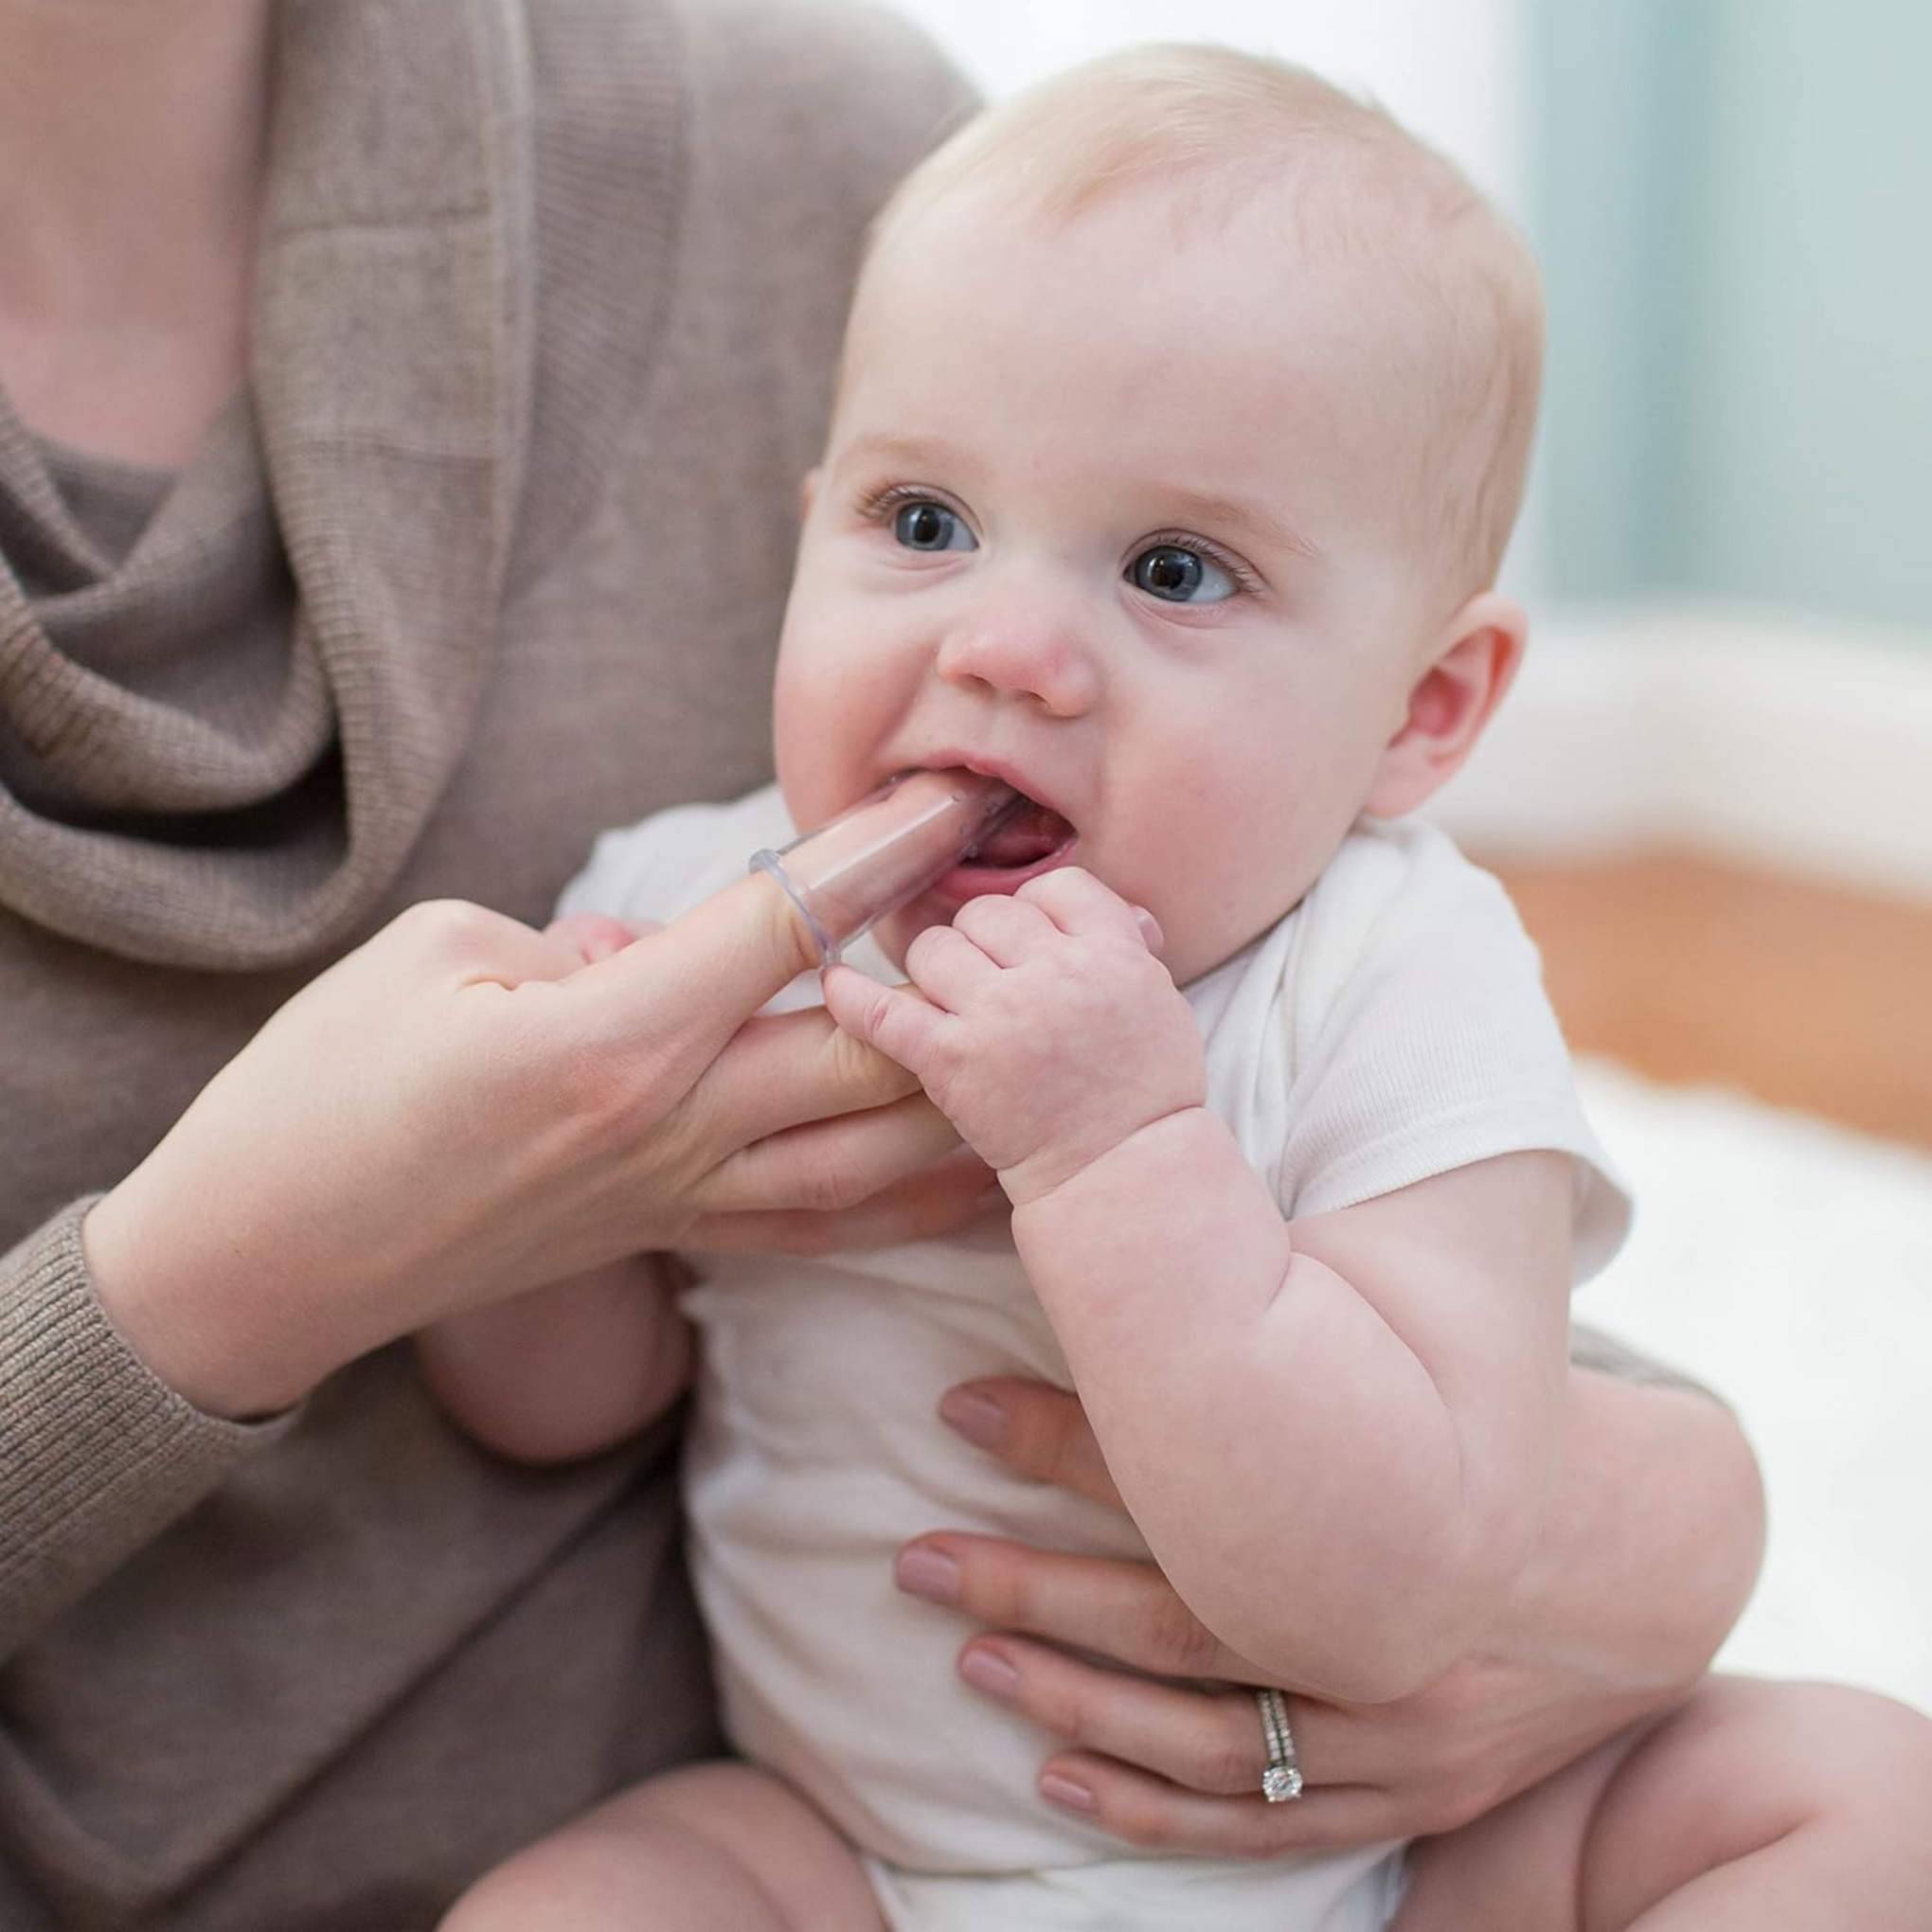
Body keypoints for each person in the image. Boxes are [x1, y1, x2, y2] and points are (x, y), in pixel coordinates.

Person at [0, 5, 1841, 1928]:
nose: (1007, 646)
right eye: (925, 524)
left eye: (1176, 573)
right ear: (803, 541)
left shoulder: (1398, 968)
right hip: (845, 1862)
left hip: (1375, 1871)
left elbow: (1400, 1590)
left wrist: (1120, 1151)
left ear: (1422, 710)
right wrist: (524, 1207)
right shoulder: (697, 895)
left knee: (1849, 1802)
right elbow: (565, 1409)